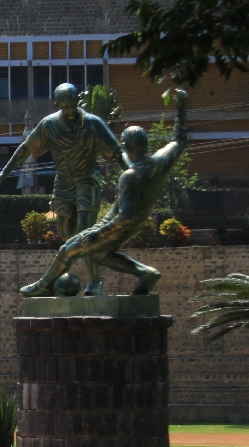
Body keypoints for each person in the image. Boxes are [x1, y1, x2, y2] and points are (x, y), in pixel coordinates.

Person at [21, 90, 188, 297]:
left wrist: (97, 233)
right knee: (100, 255)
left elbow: (124, 216)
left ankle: (44, 285)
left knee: (67, 250)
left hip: (114, 226)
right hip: (136, 223)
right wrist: (181, 108)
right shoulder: (161, 161)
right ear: (145, 144)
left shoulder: (130, 176)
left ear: (126, 146)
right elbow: (179, 139)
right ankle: (146, 273)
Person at [0, 83, 129, 294]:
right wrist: (5, 172)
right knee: (66, 233)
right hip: (64, 183)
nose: (70, 111)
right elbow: (26, 148)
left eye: (73, 105)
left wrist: (132, 172)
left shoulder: (93, 123)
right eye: (65, 107)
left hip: (86, 180)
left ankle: (95, 283)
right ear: (57, 105)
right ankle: (57, 278)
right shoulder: (49, 125)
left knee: (86, 232)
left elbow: (118, 152)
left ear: (78, 101)